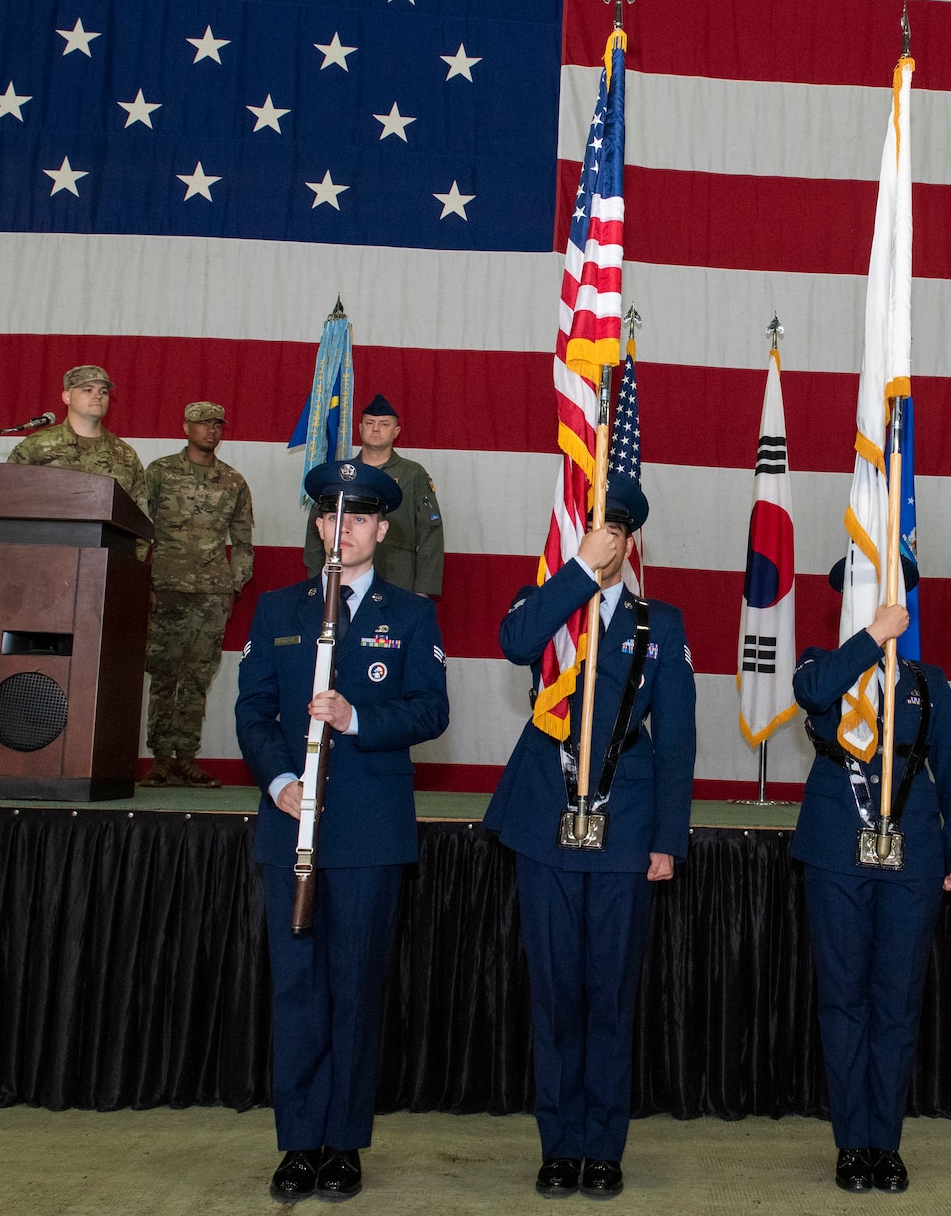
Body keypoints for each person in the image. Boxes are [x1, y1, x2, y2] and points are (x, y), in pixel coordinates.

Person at [236, 459, 449, 1202]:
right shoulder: (276, 610)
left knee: (355, 989)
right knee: (296, 990)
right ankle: (298, 1140)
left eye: (359, 517)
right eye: (332, 515)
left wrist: (357, 719)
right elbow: (253, 712)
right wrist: (281, 781)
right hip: (291, 827)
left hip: (368, 829)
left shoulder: (411, 614)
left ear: (382, 530)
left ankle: (344, 1143)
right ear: (318, 525)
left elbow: (430, 711)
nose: (343, 527)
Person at [483, 472, 696, 1199]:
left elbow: (677, 739)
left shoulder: (657, 622)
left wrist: (669, 837)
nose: (605, 539)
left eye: (614, 532)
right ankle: (558, 1143)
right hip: (544, 816)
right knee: (554, 991)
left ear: (629, 540)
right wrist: (577, 570)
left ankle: (603, 1144)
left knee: (608, 993)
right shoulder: (544, 602)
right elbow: (513, 642)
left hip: (626, 823)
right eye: (592, 528)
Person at [794, 558, 951, 1195]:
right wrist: (870, 637)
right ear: (848, 602)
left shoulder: (927, 681)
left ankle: (885, 1142)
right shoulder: (823, 663)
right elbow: (813, 696)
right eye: (865, 594)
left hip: (914, 853)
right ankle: (850, 1142)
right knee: (845, 998)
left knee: (897, 1002)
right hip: (837, 849)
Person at [137, 401, 255, 788]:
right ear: (185, 427)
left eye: (217, 424)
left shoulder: (233, 481)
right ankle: (159, 761)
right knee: (164, 674)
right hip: (167, 587)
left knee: (197, 677)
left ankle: (186, 758)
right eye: (203, 424)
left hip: (211, 591)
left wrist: (234, 586)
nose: (211, 431)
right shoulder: (159, 473)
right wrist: (142, 581)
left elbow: (242, 541)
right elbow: (140, 529)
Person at [305, 394, 446, 598]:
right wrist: (318, 579)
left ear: (396, 431)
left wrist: (423, 590)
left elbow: (430, 535)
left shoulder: (413, 474)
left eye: (384, 424)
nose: (376, 428)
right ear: (360, 429)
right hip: (343, 575)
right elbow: (314, 533)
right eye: (370, 423)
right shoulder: (341, 476)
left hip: (398, 575)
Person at [7, 363, 145, 499]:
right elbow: (7, 498)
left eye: (103, 391)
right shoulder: (35, 446)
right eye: (88, 390)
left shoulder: (125, 455)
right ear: (67, 397)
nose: (98, 396)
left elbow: (139, 515)